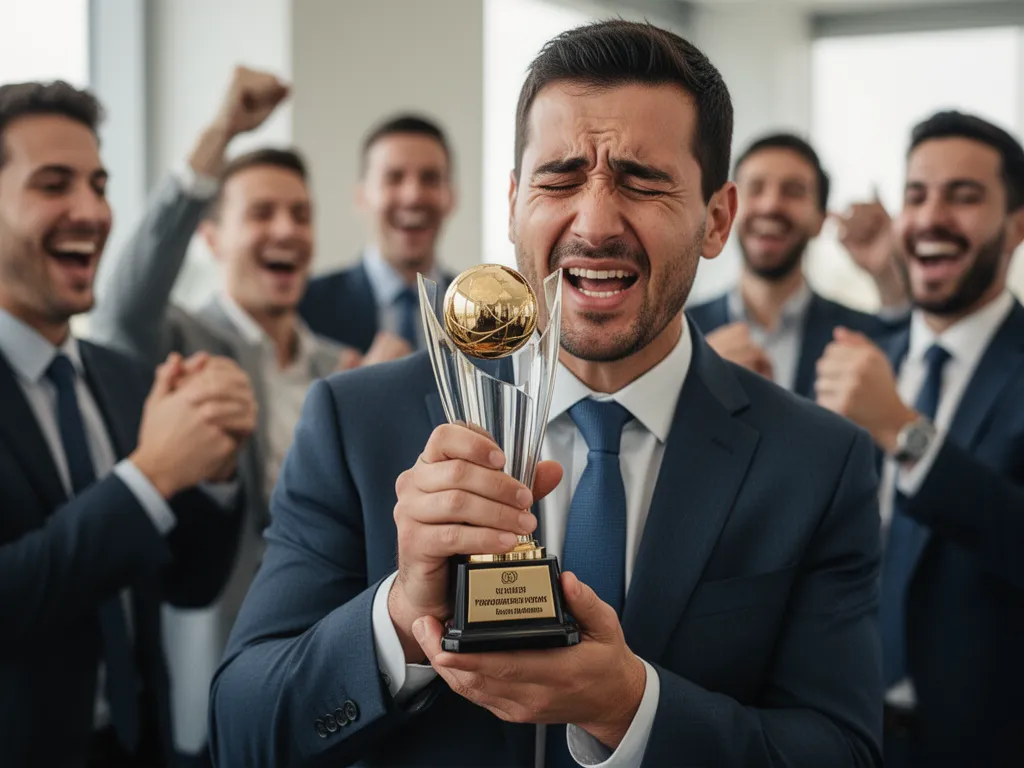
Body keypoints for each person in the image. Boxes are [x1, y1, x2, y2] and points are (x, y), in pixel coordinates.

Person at [210, 21, 883, 767]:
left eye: (642, 181)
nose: (593, 224)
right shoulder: (357, 422)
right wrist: (402, 617)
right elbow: (242, 731)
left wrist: (627, 708)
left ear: (716, 219)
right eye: (559, 179)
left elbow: (844, 751)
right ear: (512, 204)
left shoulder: (820, 464)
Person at [89, 66, 395, 765]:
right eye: (260, 213)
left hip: (331, 672)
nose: (285, 230)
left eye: (300, 213)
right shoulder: (174, 339)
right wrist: (221, 133)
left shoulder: (342, 369)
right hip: (210, 669)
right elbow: (125, 299)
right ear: (212, 237)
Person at [0, 80, 256, 767]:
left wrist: (216, 465)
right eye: (54, 184)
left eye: (99, 183)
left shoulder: (119, 376)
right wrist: (151, 476)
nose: (92, 211)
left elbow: (189, 584)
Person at [815, 110, 1024, 767]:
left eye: (963, 197)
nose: (933, 217)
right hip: (838, 732)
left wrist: (905, 434)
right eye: (917, 195)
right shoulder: (858, 357)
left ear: (1017, 226)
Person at [688, 133, 907, 396]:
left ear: (820, 220)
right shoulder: (679, 334)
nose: (771, 205)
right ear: (727, 210)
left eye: (793, 192)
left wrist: (888, 276)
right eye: (756, 188)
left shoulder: (862, 338)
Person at [298, 113, 456, 353]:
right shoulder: (306, 307)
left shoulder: (482, 313)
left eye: (430, 179)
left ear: (451, 197)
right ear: (361, 197)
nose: (413, 195)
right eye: (394, 178)